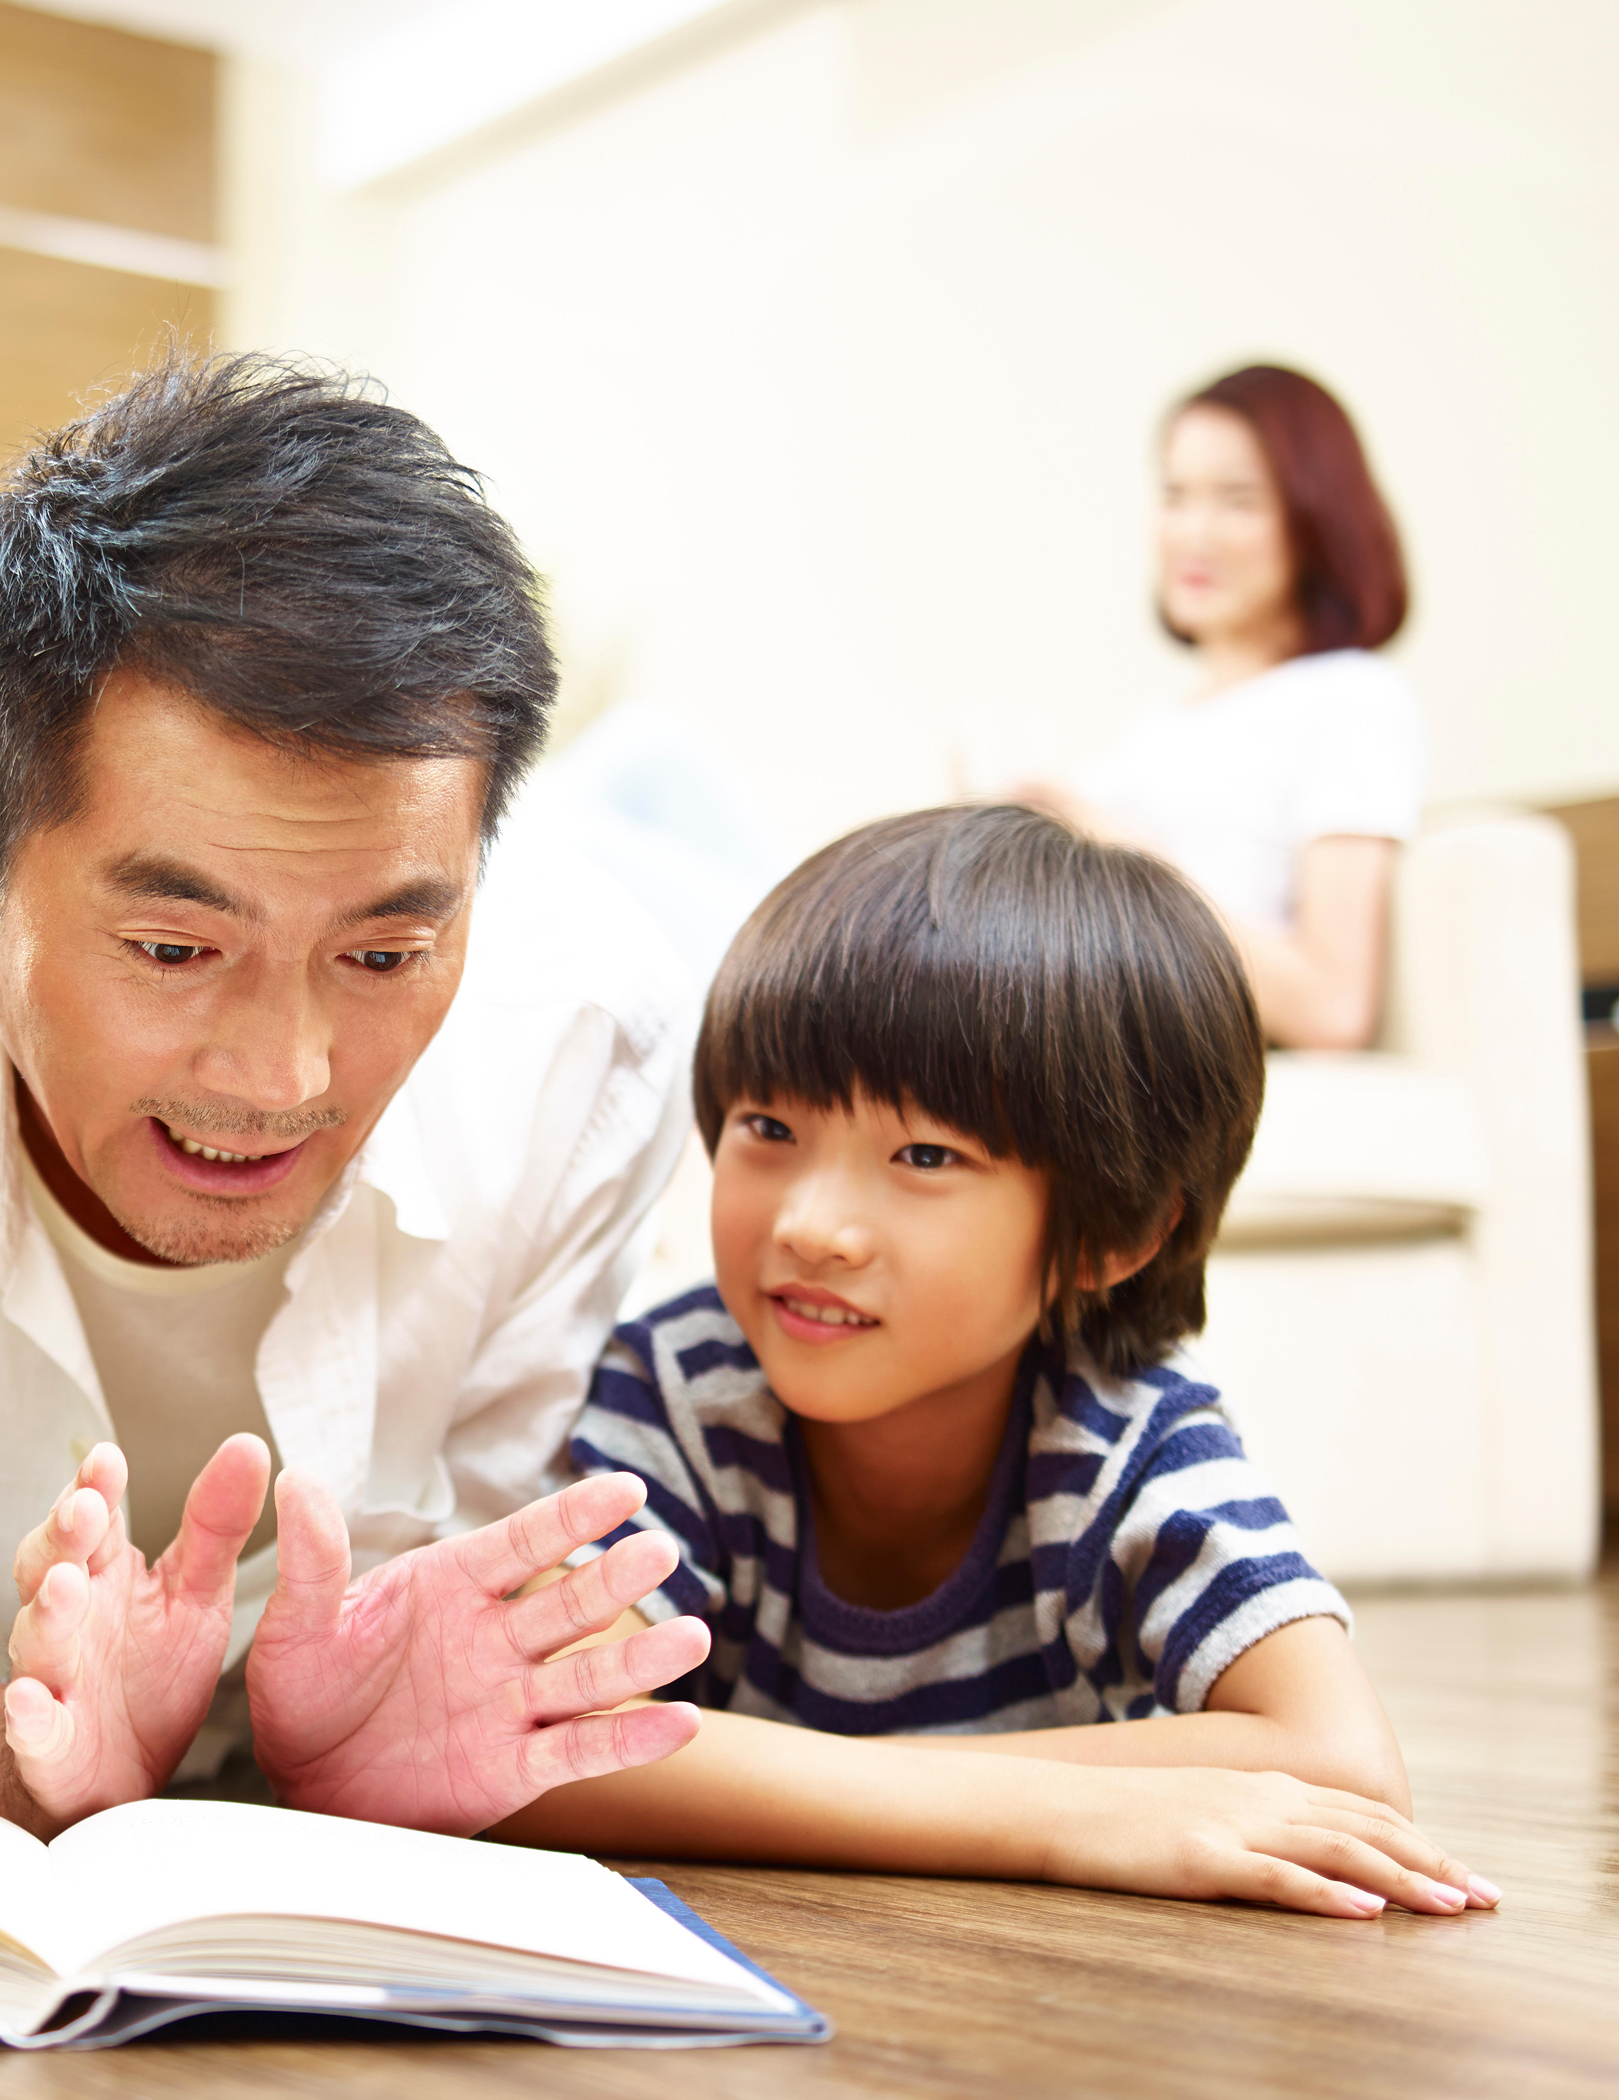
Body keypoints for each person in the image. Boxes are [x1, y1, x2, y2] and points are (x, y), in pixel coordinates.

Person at [0, 353, 711, 1833]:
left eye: (383, 951)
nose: (283, 1078)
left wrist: (392, 1721)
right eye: (175, 947)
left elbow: (466, 1575)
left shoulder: (584, 1042)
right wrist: (6, 1759)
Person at [506, 804, 1501, 1920]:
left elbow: (1344, 1764)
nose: (811, 1224)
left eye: (924, 1154)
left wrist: (765, 1780)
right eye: (767, 1129)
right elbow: (531, 1738)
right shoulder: (685, 1387)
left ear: (1119, 1231)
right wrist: (1059, 1816)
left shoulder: (1128, 1438)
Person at [1025, 364, 1419, 1050]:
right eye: (1175, 496)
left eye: (1238, 500)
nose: (1192, 533)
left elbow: (1331, 1006)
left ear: (1316, 519)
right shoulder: (1158, 727)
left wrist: (1112, 847)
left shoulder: (1349, 697)